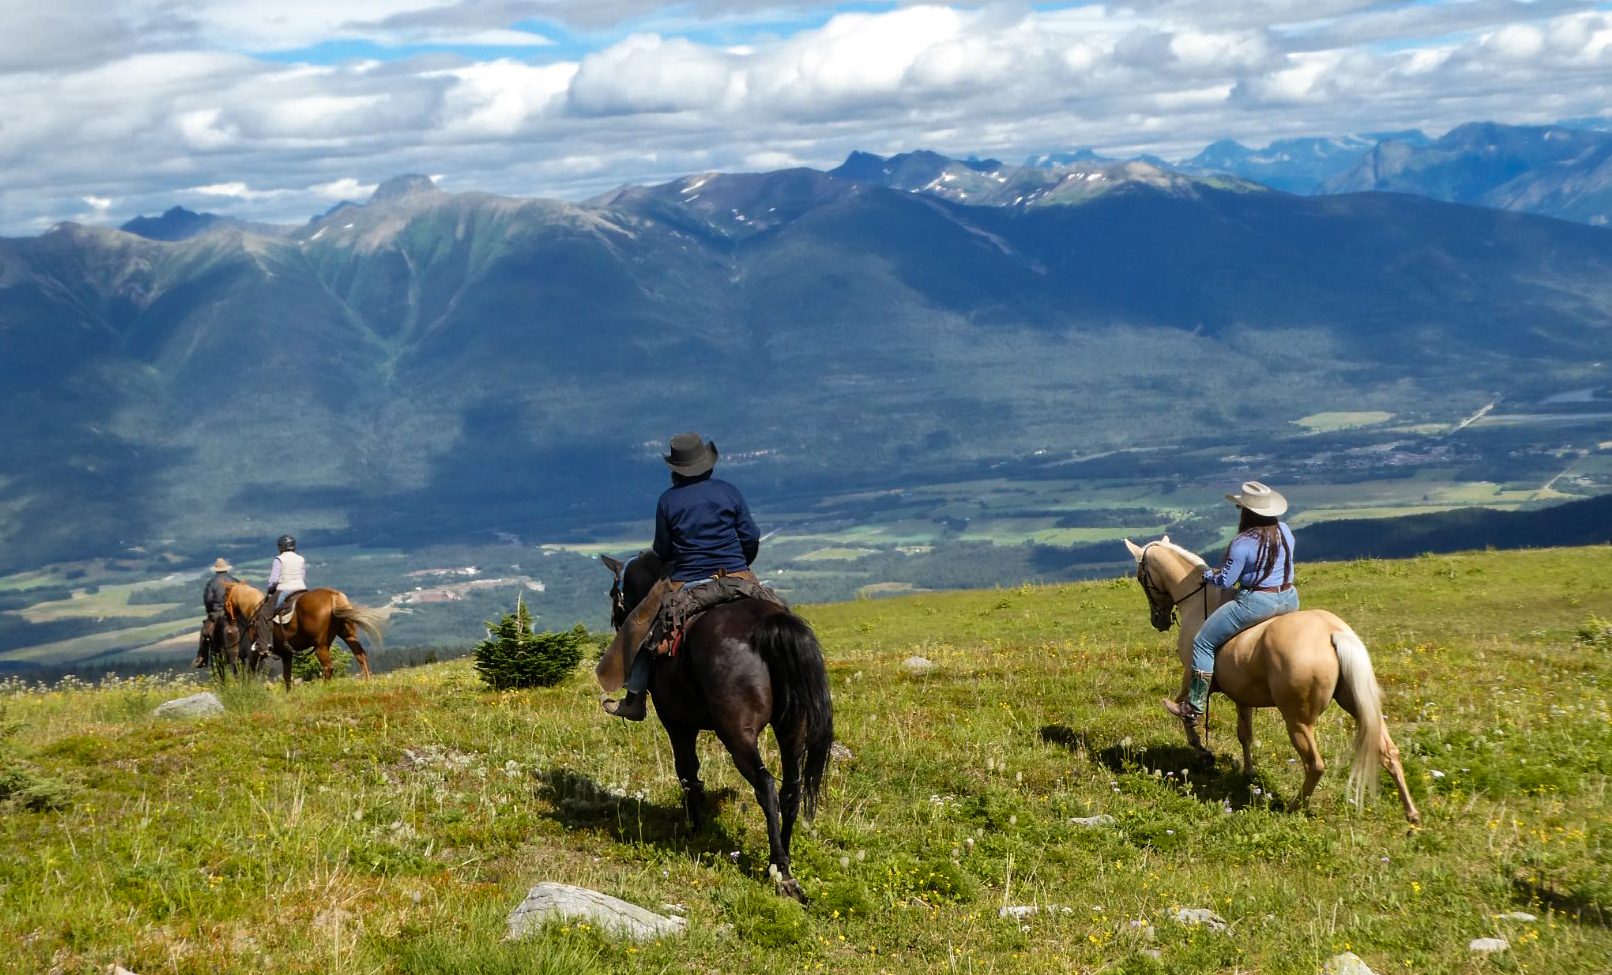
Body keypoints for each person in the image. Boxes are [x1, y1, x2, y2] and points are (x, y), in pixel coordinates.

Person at [599, 432, 761, 721]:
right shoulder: (729, 492)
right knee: (781, 615)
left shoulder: (669, 501)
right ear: (707, 464)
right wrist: (739, 566)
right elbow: (750, 536)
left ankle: (634, 699)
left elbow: (662, 550)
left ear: (676, 470)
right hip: (739, 574)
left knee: (641, 626)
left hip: (689, 580)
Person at [1163, 481, 1299, 729]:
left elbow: (1226, 581)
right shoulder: (1286, 530)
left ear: (1246, 511)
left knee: (1202, 641)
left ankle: (1193, 706)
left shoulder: (1243, 542)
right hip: (1290, 598)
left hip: (1257, 602)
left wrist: (1207, 576)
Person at [256, 534, 307, 634]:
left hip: (285, 590)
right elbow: (302, 575)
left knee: (264, 614)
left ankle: (264, 645)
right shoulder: (301, 559)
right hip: (301, 589)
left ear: (280, 547)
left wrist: (270, 589)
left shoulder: (279, 559)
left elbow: (274, 580)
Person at [195, 557, 238, 668]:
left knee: (205, 632)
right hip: (234, 612)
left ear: (216, 570)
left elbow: (208, 600)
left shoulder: (211, 583)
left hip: (217, 612)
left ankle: (202, 657)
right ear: (227, 569)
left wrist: (209, 612)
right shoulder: (235, 581)